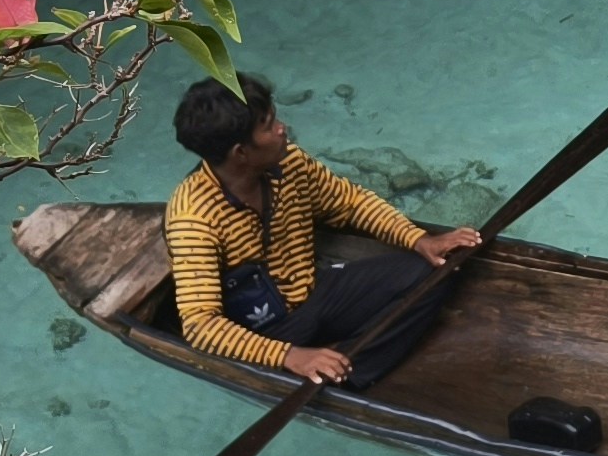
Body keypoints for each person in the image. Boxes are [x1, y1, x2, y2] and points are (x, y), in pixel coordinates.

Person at [161, 76, 481, 385]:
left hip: (314, 292)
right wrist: (290, 356)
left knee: (432, 272)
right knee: (286, 354)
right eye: (269, 125)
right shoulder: (193, 219)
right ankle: (323, 372)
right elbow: (201, 326)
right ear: (240, 153)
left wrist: (418, 239)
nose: (282, 128)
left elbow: (351, 203)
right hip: (264, 330)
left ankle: (350, 369)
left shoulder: (289, 164)